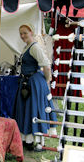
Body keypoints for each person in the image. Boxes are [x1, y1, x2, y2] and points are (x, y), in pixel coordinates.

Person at [13, 23, 57, 151]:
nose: (22, 35)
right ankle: (28, 139)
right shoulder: (27, 47)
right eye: (21, 33)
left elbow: (46, 65)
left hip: (35, 82)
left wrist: (47, 81)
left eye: (25, 33)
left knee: (35, 110)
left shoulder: (35, 47)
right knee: (27, 110)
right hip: (27, 82)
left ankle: (38, 140)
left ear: (31, 32)